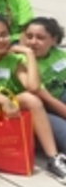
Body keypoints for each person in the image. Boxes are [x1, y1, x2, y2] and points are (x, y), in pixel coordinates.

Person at [0, 15, 66, 182]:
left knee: (31, 99)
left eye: (4, 34)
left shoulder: (14, 59)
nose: (0, 40)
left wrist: (28, 54)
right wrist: (2, 99)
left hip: (4, 108)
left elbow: (33, 87)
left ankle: (53, 158)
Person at [21, 18, 66, 154]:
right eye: (29, 36)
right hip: (41, 110)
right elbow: (45, 98)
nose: (33, 42)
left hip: (59, 99)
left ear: (53, 40)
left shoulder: (59, 55)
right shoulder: (21, 61)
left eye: (40, 38)